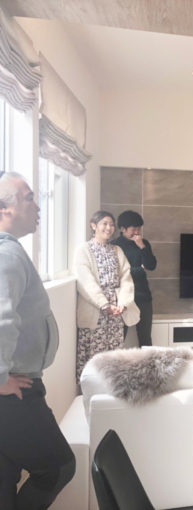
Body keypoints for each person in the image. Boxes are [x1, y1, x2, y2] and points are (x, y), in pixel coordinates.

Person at [0, 171, 75, 508]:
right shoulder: (7, 255)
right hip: (15, 389)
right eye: (29, 198)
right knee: (58, 467)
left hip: (16, 383)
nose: (38, 205)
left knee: (5, 475)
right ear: (4, 208)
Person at [74, 210, 140, 381]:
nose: (109, 228)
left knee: (114, 356)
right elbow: (85, 281)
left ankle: (113, 390)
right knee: (94, 357)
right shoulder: (84, 249)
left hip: (116, 311)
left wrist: (123, 303)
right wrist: (104, 305)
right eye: (104, 223)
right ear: (93, 225)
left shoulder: (117, 250)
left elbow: (126, 278)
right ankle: (92, 391)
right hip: (96, 309)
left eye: (111, 224)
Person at [111, 210, 157, 347]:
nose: (137, 232)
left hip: (143, 295)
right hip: (122, 298)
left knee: (145, 338)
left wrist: (142, 246)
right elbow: (117, 273)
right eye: (134, 229)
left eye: (139, 228)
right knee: (119, 337)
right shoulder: (114, 246)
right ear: (123, 229)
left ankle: (148, 361)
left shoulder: (143, 243)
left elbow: (151, 265)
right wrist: (139, 270)